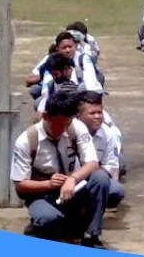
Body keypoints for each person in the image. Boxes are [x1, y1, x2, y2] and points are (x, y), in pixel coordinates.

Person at [10, 90, 110, 247]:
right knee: (48, 219)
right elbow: (20, 185)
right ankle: (41, 226)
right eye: (58, 125)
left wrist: (72, 179)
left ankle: (92, 235)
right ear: (45, 117)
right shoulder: (26, 140)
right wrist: (49, 184)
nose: (62, 130)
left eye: (66, 124)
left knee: (101, 178)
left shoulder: (76, 128)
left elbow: (92, 163)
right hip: (43, 193)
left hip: (72, 186)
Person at [76, 91, 124, 208]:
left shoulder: (108, 133)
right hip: (73, 177)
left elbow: (111, 166)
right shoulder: (70, 132)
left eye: (99, 112)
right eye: (92, 113)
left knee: (116, 190)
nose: (97, 116)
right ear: (78, 115)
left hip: (97, 176)